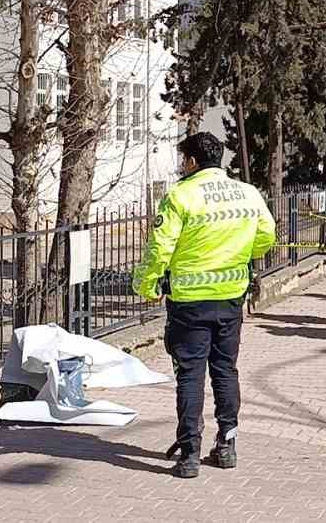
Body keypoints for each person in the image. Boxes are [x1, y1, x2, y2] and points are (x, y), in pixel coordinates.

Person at [133, 132, 275, 479]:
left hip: (190, 304)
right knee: (225, 371)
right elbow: (267, 235)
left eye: (184, 159)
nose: (182, 165)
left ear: (193, 161)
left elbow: (159, 248)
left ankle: (189, 454)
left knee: (191, 376)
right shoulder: (247, 193)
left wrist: (146, 283)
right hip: (230, 298)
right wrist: (242, 254)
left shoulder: (181, 195)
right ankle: (227, 444)